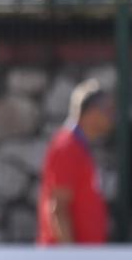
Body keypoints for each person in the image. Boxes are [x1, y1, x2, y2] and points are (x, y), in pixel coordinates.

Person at [38, 78, 115, 245]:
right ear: (93, 112)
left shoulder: (78, 146)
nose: (112, 116)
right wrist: (72, 258)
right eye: (108, 110)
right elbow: (59, 210)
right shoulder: (67, 146)